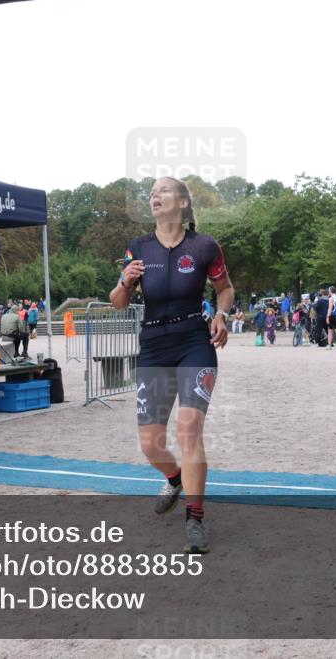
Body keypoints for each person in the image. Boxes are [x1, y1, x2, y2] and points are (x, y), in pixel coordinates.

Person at [109, 176, 234, 554]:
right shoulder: (139, 247)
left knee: (189, 428)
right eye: (151, 194)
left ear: (182, 202)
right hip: (154, 347)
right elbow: (117, 302)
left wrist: (223, 315)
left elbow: (224, 289)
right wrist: (124, 282)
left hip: (194, 342)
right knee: (150, 444)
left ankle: (194, 519)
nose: (154, 197)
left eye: (162, 191)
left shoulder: (204, 246)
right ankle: (175, 478)